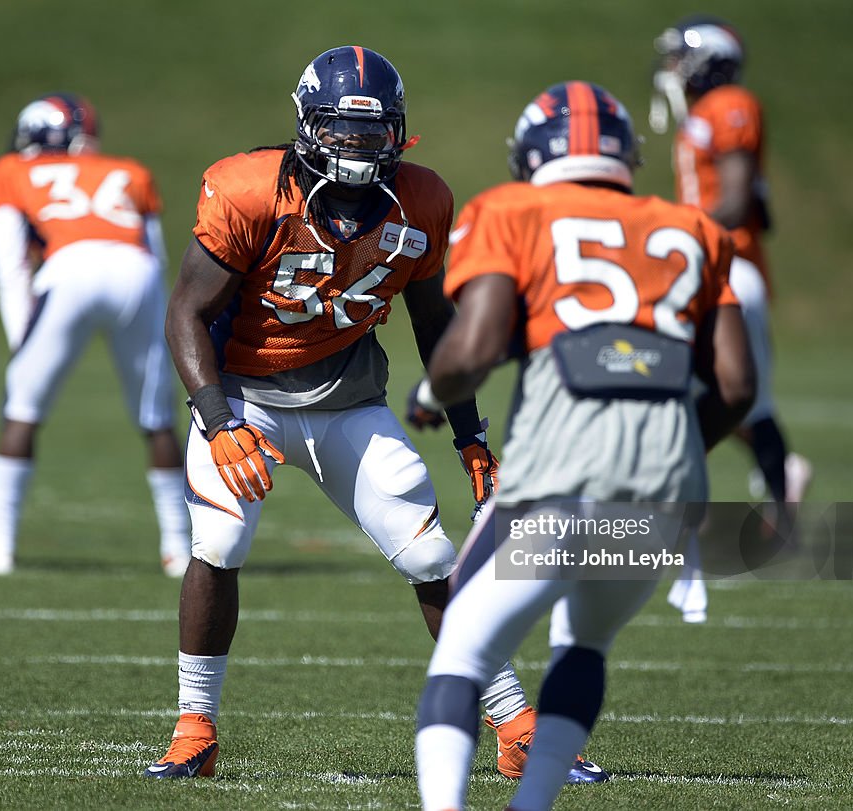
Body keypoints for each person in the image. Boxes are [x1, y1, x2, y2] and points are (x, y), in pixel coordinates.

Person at [141, 45, 603, 785]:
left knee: (428, 554)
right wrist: (220, 420)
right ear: (306, 125)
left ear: (399, 132)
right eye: (342, 130)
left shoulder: (421, 198)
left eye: (373, 131)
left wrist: (470, 433)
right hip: (246, 400)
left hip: (345, 400)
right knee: (219, 539)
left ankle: (517, 725)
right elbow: (185, 313)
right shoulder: (247, 188)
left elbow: (434, 323)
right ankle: (195, 725)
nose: (358, 146)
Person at [413, 80, 755, 811]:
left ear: (531, 155)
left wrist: (432, 392)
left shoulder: (509, 209)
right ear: (624, 155)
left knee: (462, 651)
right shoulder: (693, 227)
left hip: (557, 476)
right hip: (666, 491)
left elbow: (469, 350)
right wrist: (669, 451)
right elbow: (736, 384)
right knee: (583, 647)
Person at [0, 93, 191, 577]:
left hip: (68, 269)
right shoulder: (130, 171)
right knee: (156, 418)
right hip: (136, 272)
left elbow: (10, 269)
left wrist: (20, 345)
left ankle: (0, 550)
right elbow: (157, 259)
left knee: (22, 410)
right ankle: (179, 549)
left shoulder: (6, 171)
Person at [650, 16, 812, 514]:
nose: (673, 66)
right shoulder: (705, 111)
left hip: (727, 267)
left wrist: (676, 231)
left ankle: (778, 501)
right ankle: (775, 483)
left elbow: (738, 201)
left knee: (737, 396)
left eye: (681, 55)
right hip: (709, 266)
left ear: (709, 59)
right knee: (701, 390)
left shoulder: (730, 104)